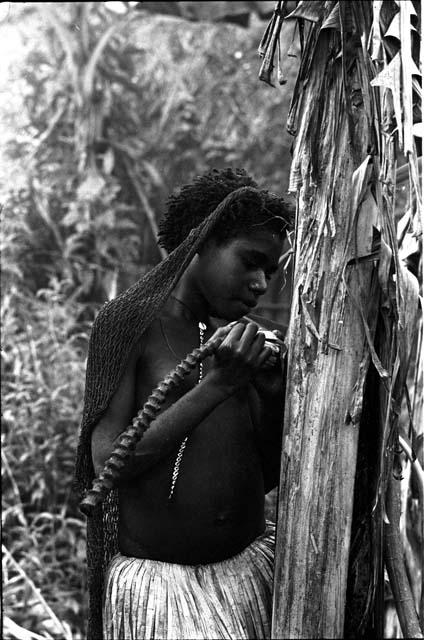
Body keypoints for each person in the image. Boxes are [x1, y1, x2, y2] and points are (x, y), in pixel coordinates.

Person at [74, 167, 294, 639]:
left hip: (247, 578)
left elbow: (265, 477)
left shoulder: (230, 343)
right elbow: (106, 462)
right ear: (199, 244)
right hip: (167, 598)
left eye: (270, 272)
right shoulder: (130, 326)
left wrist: (271, 394)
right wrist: (218, 386)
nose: (261, 284)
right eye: (251, 262)